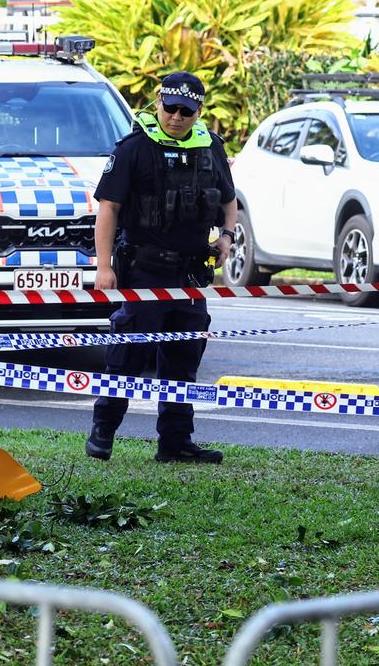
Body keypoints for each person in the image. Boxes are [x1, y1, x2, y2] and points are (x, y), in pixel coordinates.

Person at [85, 71, 239, 465]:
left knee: (183, 358)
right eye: (169, 107)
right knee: (129, 355)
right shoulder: (135, 147)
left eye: (185, 111)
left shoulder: (210, 148)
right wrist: (103, 266)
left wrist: (226, 237)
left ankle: (175, 443)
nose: (175, 116)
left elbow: (228, 200)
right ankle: (103, 431)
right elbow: (108, 209)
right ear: (158, 103)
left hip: (189, 275)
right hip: (144, 272)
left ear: (198, 111)